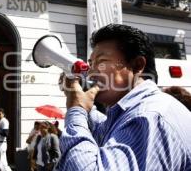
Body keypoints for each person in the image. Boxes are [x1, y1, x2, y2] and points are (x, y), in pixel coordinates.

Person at [56, 24, 191, 170]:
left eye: (102, 62)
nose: (91, 73)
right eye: (90, 64)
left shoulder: (148, 116)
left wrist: (77, 110)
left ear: (137, 65)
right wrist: (79, 101)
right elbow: (103, 130)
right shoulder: (141, 110)